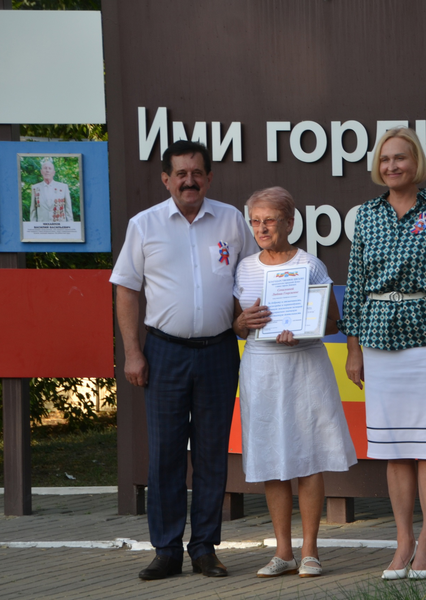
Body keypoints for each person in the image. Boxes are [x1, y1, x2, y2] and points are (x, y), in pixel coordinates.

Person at [110, 140, 259, 581]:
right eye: (180, 174)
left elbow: (252, 277)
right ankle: (167, 550)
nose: (189, 181)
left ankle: (205, 548)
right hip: (164, 352)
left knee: (213, 453)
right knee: (166, 455)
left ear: (209, 177)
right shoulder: (145, 225)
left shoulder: (232, 220)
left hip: (218, 351)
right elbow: (126, 290)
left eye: (197, 173)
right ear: (166, 179)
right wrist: (133, 352)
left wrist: (248, 317)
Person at [338, 127, 426, 580]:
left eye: (400, 158)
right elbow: (355, 283)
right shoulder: (367, 217)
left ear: (416, 162)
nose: (392, 166)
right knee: (395, 451)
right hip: (377, 343)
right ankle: (402, 544)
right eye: (385, 159)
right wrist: (353, 348)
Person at [232, 186, 357, 579]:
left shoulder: (311, 265)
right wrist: (241, 323)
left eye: (269, 220)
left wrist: (308, 330)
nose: (261, 228)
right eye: (255, 221)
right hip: (261, 368)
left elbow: (335, 323)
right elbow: (237, 327)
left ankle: (310, 552)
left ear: (289, 222)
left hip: (304, 365)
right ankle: (282, 552)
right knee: (272, 458)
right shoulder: (244, 267)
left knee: (308, 455)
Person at [29, 157, 74, 222]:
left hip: (60, 226)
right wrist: (32, 226)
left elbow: (68, 209)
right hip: (42, 227)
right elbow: (33, 210)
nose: (47, 170)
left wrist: (70, 225)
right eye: (45, 168)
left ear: (53, 172)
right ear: (41, 172)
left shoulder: (63, 187)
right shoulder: (35, 188)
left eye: (49, 168)